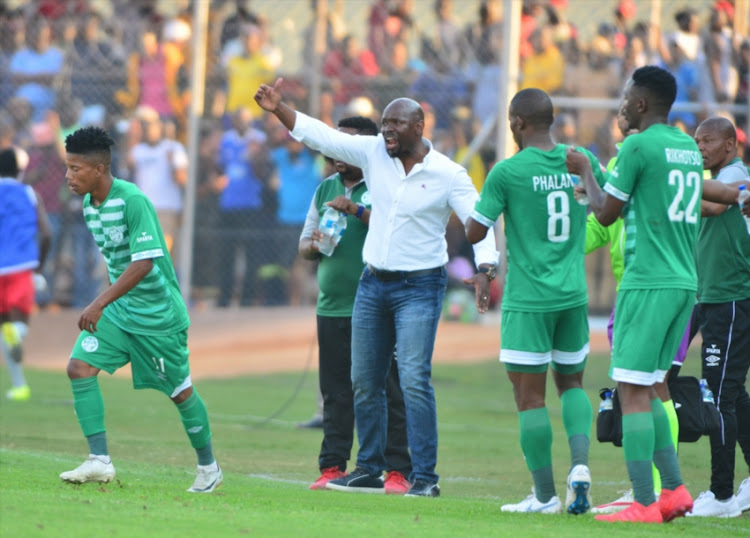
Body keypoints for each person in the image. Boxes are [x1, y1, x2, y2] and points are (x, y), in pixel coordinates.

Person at [255, 79, 498, 497]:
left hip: (420, 286)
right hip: (374, 282)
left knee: (413, 379)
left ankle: (424, 478)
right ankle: (368, 468)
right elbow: (322, 135)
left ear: (419, 126)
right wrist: (280, 110)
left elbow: (479, 221)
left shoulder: (447, 173)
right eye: (384, 123)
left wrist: (486, 267)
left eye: (396, 124)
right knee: (364, 379)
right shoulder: (373, 155)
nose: (386, 131)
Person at [564, 65, 743, 523]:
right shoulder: (685, 145)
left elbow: (605, 215)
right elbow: (704, 194)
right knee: (656, 385)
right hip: (685, 284)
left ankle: (644, 500)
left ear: (641, 103)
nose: (620, 107)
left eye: (625, 98)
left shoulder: (638, 146)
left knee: (631, 390)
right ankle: (676, 492)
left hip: (648, 282)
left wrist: (586, 169)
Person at [59, 126, 222, 493]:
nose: (69, 176)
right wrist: (108, 304)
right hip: (122, 311)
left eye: (75, 169)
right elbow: (118, 264)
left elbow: (144, 263)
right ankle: (99, 460)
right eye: (68, 168)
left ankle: (209, 467)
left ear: (99, 169)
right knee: (79, 367)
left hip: (158, 316)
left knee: (179, 391)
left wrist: (98, 302)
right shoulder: (89, 205)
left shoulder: (133, 200)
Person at [466, 88, 604, 515]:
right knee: (572, 385)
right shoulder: (582, 161)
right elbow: (599, 207)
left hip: (529, 299)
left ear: (517, 124)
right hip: (572, 294)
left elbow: (475, 231)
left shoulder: (507, 172)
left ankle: (544, 496)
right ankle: (579, 467)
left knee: (529, 399)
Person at [300, 116, 412, 494]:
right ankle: (332, 465)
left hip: (377, 307)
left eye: (347, 143)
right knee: (335, 391)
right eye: (336, 142)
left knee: (388, 390)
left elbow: (397, 227)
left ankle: (398, 470)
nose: (339, 151)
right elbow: (303, 245)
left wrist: (354, 210)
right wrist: (313, 244)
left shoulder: (384, 184)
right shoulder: (324, 189)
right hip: (331, 307)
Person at [686, 117, 750, 518]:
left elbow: (712, 205)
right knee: (734, 394)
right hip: (713, 298)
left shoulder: (737, 175)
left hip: (731, 300)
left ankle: (721, 494)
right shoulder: (719, 174)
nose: (700, 148)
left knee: (719, 395)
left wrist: (671, 184)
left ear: (729, 144)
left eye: (707, 141)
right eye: (696, 142)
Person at [0, 148, 51, 401]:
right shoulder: (29, 193)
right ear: (20, 171)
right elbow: (47, 233)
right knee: (19, 323)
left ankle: (20, 386)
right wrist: (39, 267)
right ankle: (18, 334)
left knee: (2, 325)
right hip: (22, 266)